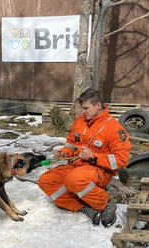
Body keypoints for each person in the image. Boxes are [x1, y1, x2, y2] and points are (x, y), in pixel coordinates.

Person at [38, 88, 131, 227]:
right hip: (77, 165)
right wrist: (65, 152)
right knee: (46, 180)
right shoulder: (80, 121)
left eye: (86, 108)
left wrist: (93, 157)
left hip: (99, 170)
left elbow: (121, 160)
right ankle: (83, 207)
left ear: (98, 105)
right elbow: (72, 142)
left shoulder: (114, 128)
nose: (83, 111)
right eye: (82, 108)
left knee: (74, 180)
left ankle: (106, 203)